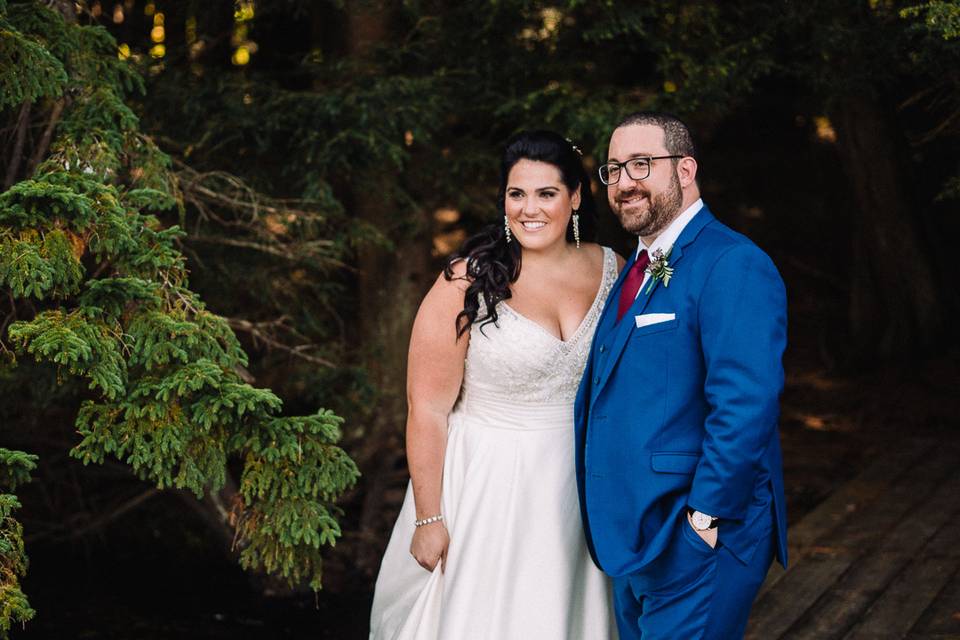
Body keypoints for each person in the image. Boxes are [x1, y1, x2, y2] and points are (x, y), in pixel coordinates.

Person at [369, 130, 619, 639]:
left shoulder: (613, 269)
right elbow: (427, 408)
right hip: (486, 483)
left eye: (546, 193)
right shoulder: (467, 281)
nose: (530, 208)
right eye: (516, 193)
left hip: (580, 485)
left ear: (573, 198)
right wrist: (428, 517)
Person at [575, 112, 788, 640]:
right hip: (636, 535)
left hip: (694, 534)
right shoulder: (637, 265)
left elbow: (744, 404)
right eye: (613, 169)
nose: (624, 182)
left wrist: (704, 520)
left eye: (641, 164)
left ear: (686, 169)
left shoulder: (732, 262)